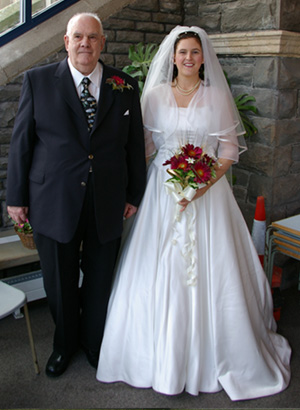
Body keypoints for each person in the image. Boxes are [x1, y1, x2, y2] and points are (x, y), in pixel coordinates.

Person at [96, 26, 291, 400]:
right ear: (172, 57)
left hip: (208, 196)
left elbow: (228, 152)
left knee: (214, 270)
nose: (188, 58)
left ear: (204, 59)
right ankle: (150, 355)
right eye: (182, 52)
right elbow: (145, 150)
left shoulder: (216, 97)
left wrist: (200, 186)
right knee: (156, 266)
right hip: (161, 195)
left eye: (195, 53)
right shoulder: (152, 97)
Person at [6, 12, 146, 377]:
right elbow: (22, 144)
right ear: (66, 42)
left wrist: (135, 193)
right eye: (78, 37)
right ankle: (64, 345)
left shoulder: (125, 84)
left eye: (93, 37)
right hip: (52, 201)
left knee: (101, 278)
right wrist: (15, 198)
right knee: (59, 281)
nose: (85, 43)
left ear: (102, 43)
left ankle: (94, 342)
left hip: (108, 199)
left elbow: (133, 147)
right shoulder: (37, 81)